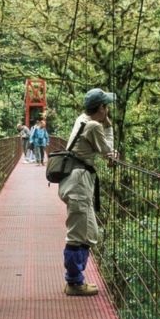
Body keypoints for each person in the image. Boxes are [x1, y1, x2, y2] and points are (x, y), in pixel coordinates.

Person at [59, 88, 117, 296]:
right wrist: (108, 127)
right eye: (106, 106)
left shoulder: (82, 118)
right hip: (78, 183)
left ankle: (77, 278)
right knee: (76, 235)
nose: (108, 110)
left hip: (77, 180)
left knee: (90, 233)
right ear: (100, 108)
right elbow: (108, 150)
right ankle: (74, 283)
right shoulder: (93, 125)